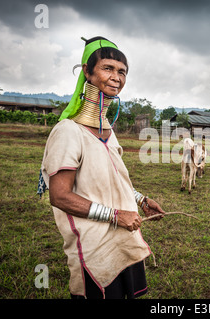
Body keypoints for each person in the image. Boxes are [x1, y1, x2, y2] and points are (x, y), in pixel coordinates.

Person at [39, 36, 165, 299]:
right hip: (94, 250)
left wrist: (140, 200)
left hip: (124, 242)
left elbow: (110, 180)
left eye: (122, 71)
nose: (116, 77)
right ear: (87, 71)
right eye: (108, 68)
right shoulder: (68, 132)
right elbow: (59, 195)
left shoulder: (107, 130)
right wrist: (116, 216)